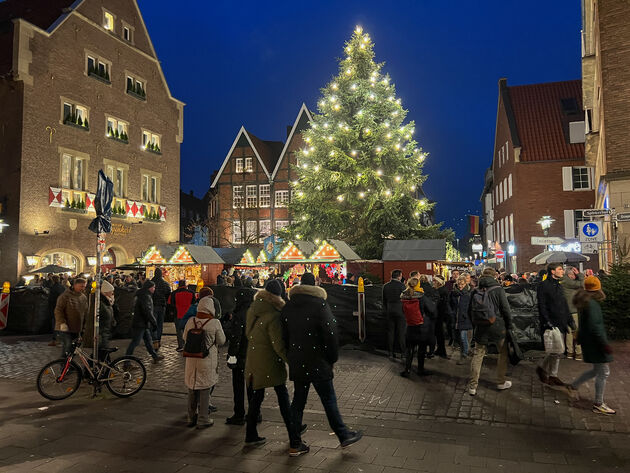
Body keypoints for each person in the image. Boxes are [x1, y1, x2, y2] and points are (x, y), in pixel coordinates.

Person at [282, 273, 363, 451]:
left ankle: (295, 443)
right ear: (315, 285)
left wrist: (291, 355)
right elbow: (331, 332)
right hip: (318, 361)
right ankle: (343, 434)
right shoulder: (320, 304)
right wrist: (332, 358)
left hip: (298, 361)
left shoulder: (288, 306)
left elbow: (284, 336)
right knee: (328, 400)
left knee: (298, 402)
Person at [243, 279, 307, 454]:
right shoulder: (273, 316)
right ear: (278, 296)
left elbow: (248, 333)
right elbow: (278, 345)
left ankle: (250, 435)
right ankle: (295, 440)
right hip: (269, 362)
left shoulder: (254, 309)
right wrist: (292, 362)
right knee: (284, 400)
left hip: (254, 359)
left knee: (256, 398)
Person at [567, 276, 615, 415]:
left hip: (590, 342)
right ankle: (598, 403)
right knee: (604, 372)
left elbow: (585, 325)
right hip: (596, 344)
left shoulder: (584, 302)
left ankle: (574, 385)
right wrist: (604, 344)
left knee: (597, 370)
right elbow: (595, 327)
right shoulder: (592, 304)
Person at [468, 267, 513, 396]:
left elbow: (469, 310)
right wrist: (509, 325)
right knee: (503, 353)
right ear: (494, 276)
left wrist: (475, 324)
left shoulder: (475, 290)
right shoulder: (498, 289)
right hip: (497, 326)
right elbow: (506, 309)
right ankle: (500, 381)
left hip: (481, 327)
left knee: (478, 355)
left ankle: (473, 386)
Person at [184, 297, 226, 429]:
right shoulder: (214, 323)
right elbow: (221, 341)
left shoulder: (191, 321)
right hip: (207, 360)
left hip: (191, 359)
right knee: (205, 389)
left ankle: (191, 416)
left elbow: (185, 337)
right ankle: (203, 418)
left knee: (192, 387)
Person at [225, 278, 258, 425]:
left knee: (238, 387)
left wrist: (231, 355)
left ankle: (239, 414)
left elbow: (236, 338)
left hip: (241, 356)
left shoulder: (239, 315)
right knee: (252, 388)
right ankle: (255, 413)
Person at [536, 263, 575, 386]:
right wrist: (547, 320)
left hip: (561, 320)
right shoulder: (544, 286)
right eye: (560, 269)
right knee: (558, 350)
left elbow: (563, 304)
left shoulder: (559, 286)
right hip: (552, 322)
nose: (562, 271)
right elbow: (542, 305)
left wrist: (570, 321)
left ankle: (549, 372)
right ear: (552, 271)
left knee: (556, 351)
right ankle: (549, 372)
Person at [400, 277, 437, 377]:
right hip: (421, 327)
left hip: (409, 326)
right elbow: (432, 309)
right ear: (418, 285)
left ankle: (407, 369)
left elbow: (403, 311)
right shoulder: (421, 296)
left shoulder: (404, 296)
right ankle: (420, 370)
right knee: (421, 349)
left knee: (410, 349)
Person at [126, 280, 164, 362]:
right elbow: (147, 311)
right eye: (153, 287)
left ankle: (154, 356)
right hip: (140, 323)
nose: (154, 289)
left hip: (142, 322)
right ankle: (126, 362)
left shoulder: (141, 294)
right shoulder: (146, 296)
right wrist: (154, 322)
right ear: (149, 288)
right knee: (135, 342)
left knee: (148, 341)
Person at [54, 278, 89, 357]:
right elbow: (58, 310)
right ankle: (64, 367)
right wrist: (62, 323)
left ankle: (70, 366)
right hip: (66, 328)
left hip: (77, 328)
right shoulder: (65, 296)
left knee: (74, 349)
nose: (83, 288)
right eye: (81, 286)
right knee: (67, 346)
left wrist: (84, 326)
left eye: (84, 286)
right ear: (75, 285)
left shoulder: (83, 297)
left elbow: (86, 312)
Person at [83, 281, 116, 358]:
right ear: (106, 292)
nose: (112, 293)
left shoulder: (107, 302)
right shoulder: (101, 303)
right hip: (101, 333)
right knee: (101, 353)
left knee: (101, 354)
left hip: (105, 332)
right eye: (111, 291)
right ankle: (89, 369)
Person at [561, 266, 585, 361]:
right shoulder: (568, 281)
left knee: (569, 332)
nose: (574, 276)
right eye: (573, 274)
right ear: (569, 274)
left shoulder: (564, 281)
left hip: (567, 310)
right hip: (573, 310)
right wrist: (580, 274)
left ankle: (570, 352)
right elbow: (582, 284)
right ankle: (578, 353)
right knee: (576, 331)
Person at [382, 269, 406, 361]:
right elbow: (405, 299)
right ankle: (403, 353)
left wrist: (385, 309)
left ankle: (390, 353)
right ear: (399, 276)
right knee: (401, 332)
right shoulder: (402, 286)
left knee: (390, 332)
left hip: (389, 310)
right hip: (400, 311)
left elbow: (383, 300)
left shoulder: (385, 286)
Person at [450, 275, 473, 364]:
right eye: (459, 284)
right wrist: (451, 313)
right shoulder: (454, 293)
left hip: (465, 318)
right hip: (456, 318)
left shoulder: (469, 293)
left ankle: (464, 353)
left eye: (462, 284)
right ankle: (464, 353)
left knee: (463, 337)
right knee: (460, 338)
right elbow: (450, 304)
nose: (460, 286)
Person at [169, 280, 196, 352]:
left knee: (179, 331)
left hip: (178, 314)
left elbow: (171, 304)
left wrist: (172, 312)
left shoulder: (174, 293)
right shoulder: (191, 293)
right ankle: (188, 345)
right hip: (189, 315)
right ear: (186, 285)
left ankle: (181, 346)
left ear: (178, 285)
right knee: (189, 330)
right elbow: (194, 303)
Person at [151, 268, 172, 351]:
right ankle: (158, 340)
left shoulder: (150, 283)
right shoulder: (165, 283)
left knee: (153, 324)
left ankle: (154, 340)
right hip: (162, 305)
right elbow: (168, 293)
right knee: (160, 324)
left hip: (153, 305)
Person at [431, 276, 450, 359]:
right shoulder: (443, 289)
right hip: (441, 314)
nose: (433, 282)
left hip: (440, 314)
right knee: (439, 333)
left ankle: (442, 351)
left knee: (440, 333)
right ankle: (440, 350)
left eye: (435, 281)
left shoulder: (440, 291)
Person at [47, 275, 66, 346]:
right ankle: (60, 339)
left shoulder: (53, 288)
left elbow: (51, 299)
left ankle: (56, 340)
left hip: (55, 307)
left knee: (55, 323)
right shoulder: (62, 287)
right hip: (61, 307)